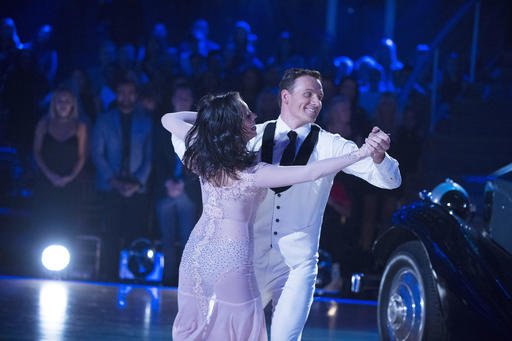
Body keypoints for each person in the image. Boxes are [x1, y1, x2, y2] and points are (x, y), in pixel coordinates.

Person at [162, 91, 378, 340]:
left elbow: (168, 119)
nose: (254, 116)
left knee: (198, 330)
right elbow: (311, 172)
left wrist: (213, 118)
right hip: (231, 259)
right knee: (239, 332)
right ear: (233, 125)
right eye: (245, 115)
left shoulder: (205, 154)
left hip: (196, 255)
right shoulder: (254, 173)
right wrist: (360, 153)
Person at [247, 68, 401, 340]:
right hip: (250, 261)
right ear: (285, 96)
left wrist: (379, 158)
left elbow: (391, 181)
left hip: (298, 266)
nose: (316, 102)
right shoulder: (253, 137)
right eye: (308, 94)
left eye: (320, 96)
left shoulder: (330, 145)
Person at [91, 78, 152, 280]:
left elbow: (150, 156)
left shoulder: (146, 120)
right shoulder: (104, 120)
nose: (126, 96)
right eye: (122, 92)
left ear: (136, 95)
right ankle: (107, 275)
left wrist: (137, 183)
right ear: (116, 94)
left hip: (137, 187)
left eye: (130, 92)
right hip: (110, 186)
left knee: (134, 231)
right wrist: (113, 180)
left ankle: (132, 274)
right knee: (110, 231)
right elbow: (97, 154)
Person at [32, 87, 88, 235]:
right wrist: (50, 175)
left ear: (73, 105)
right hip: (46, 182)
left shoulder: (80, 127)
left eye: (67, 101)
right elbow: (37, 152)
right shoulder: (43, 123)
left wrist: (69, 177)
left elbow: (82, 156)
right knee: (45, 222)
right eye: (59, 101)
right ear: (54, 104)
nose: (63, 104)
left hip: (71, 184)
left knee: (68, 224)